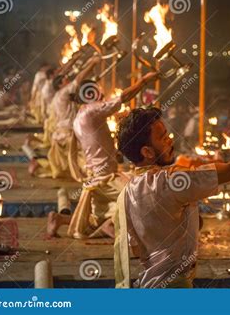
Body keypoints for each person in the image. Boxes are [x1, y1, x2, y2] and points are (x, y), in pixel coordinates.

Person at [114, 106, 230, 288]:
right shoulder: (170, 181)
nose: (169, 140)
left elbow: (139, 246)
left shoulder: (127, 193)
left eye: (167, 134)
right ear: (147, 152)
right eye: (162, 137)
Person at [46, 72, 159, 239]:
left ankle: (60, 219)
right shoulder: (91, 111)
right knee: (138, 195)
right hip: (106, 178)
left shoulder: (81, 116)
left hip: (95, 177)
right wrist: (143, 81)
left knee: (95, 219)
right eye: (98, 91)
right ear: (89, 93)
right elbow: (123, 97)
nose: (103, 94)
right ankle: (112, 225)